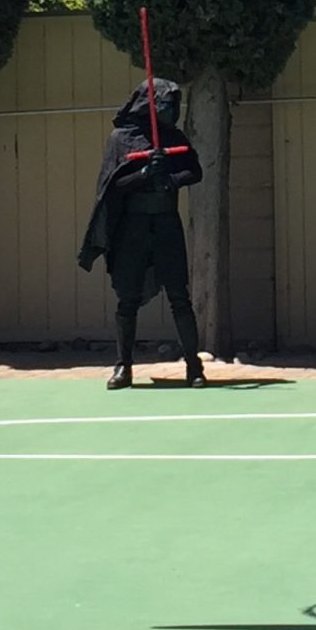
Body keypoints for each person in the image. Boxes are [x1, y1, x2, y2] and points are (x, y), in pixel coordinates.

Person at [75, 69, 206, 390]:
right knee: (127, 299)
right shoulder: (122, 139)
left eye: (175, 105)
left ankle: (194, 365)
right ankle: (123, 367)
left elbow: (194, 171)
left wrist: (170, 178)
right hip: (132, 227)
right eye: (165, 105)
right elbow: (112, 186)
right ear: (149, 105)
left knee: (179, 296)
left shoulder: (174, 137)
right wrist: (145, 173)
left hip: (165, 223)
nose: (172, 112)